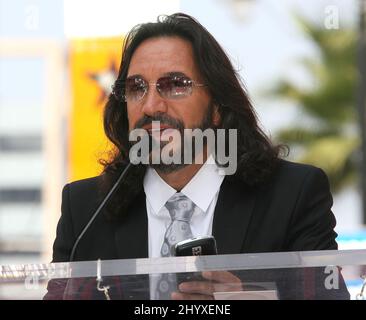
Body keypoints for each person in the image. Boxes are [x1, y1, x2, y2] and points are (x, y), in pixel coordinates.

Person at [50, 13, 348, 300]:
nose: (152, 105)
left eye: (175, 84)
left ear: (217, 106)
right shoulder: (86, 209)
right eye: (136, 87)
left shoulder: (292, 195)